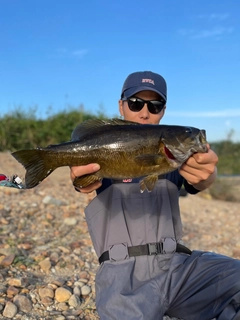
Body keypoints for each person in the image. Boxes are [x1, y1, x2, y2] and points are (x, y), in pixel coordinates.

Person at [70, 71, 240, 320]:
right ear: (121, 105)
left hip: (178, 269)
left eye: (155, 105)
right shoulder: (105, 144)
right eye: (136, 103)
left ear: (163, 110)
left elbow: (201, 180)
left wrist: (208, 174)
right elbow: (81, 179)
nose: (145, 112)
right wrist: (79, 179)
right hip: (123, 280)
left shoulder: (174, 158)